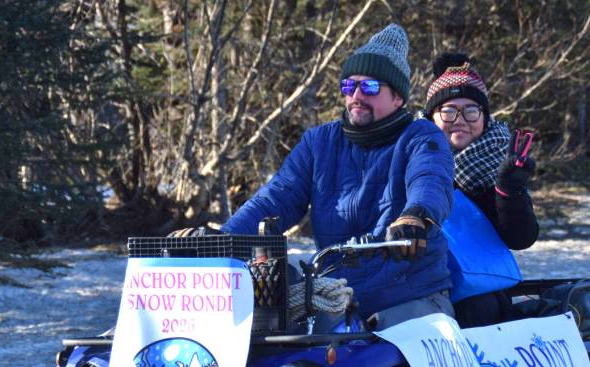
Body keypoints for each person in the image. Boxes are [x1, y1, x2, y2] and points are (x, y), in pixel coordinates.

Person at [216, 24, 455, 330]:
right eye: (348, 86)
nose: (356, 95)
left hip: (408, 294)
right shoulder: (319, 142)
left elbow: (430, 180)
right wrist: (224, 239)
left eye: (369, 87)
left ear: (398, 98)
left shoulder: (421, 137)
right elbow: (277, 197)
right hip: (335, 294)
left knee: (388, 364)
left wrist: (416, 218)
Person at [423, 53, 540, 328]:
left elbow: (522, 238)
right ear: (431, 117)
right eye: (449, 110)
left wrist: (510, 190)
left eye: (471, 110)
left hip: (480, 296)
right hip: (422, 289)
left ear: (485, 117)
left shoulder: (498, 162)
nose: (460, 119)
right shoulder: (411, 158)